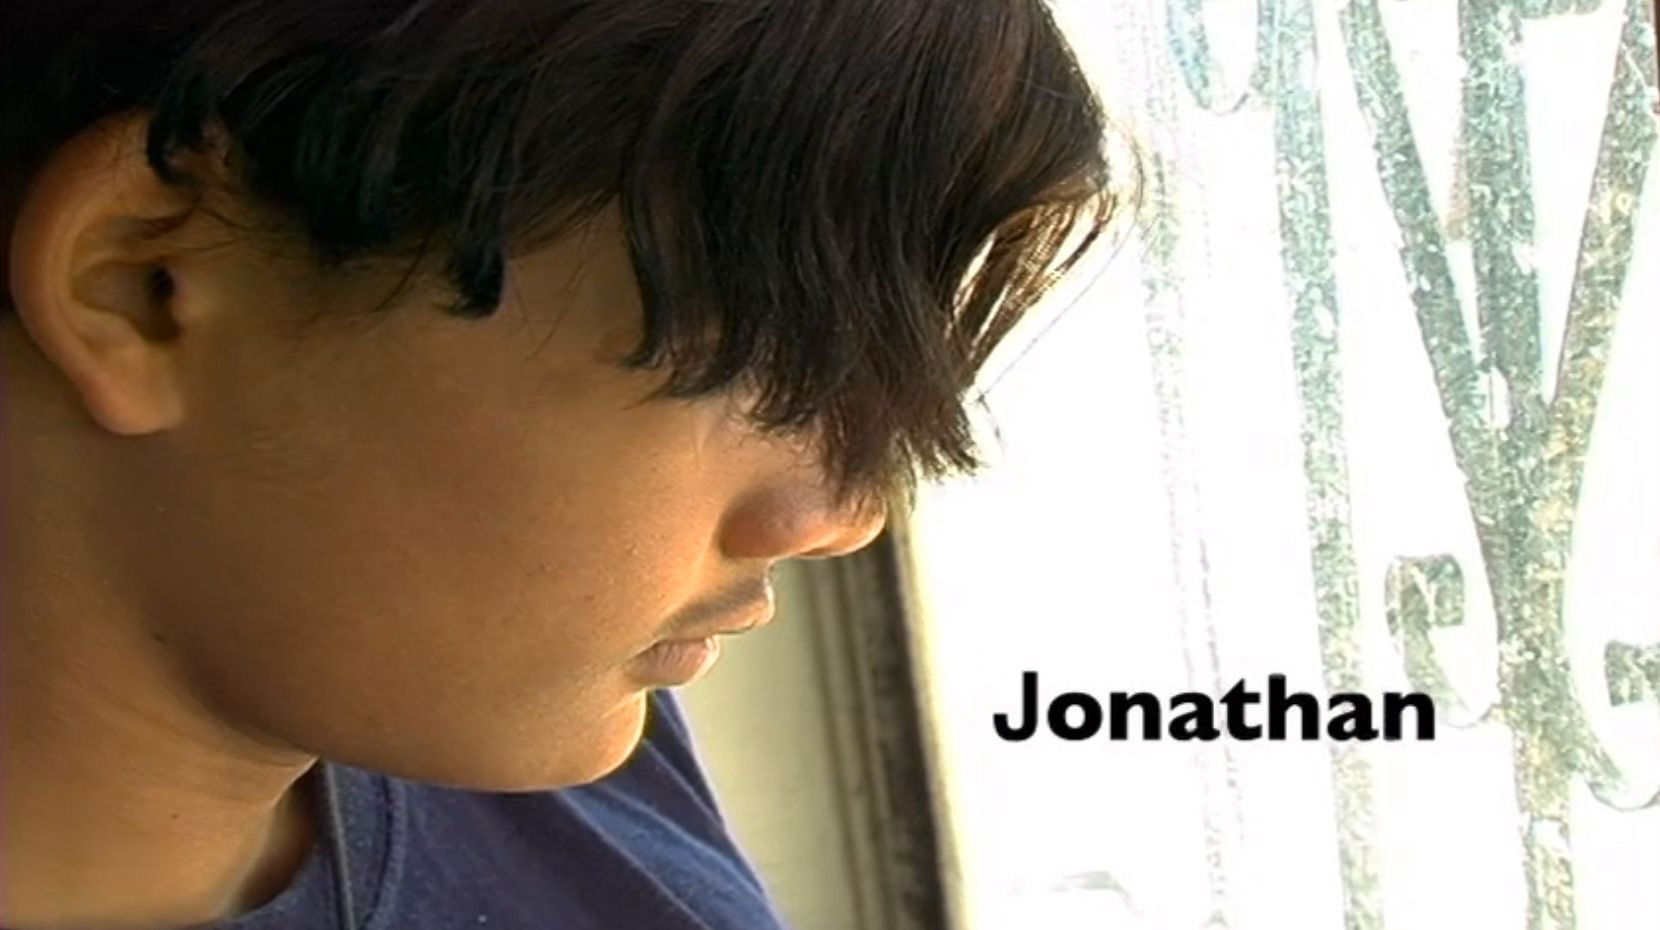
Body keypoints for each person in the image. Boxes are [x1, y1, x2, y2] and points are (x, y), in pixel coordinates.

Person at [0, 1, 1112, 927]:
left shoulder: (548, 743)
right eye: (754, 357)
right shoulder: (495, 691)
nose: (841, 515)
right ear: (143, 282)